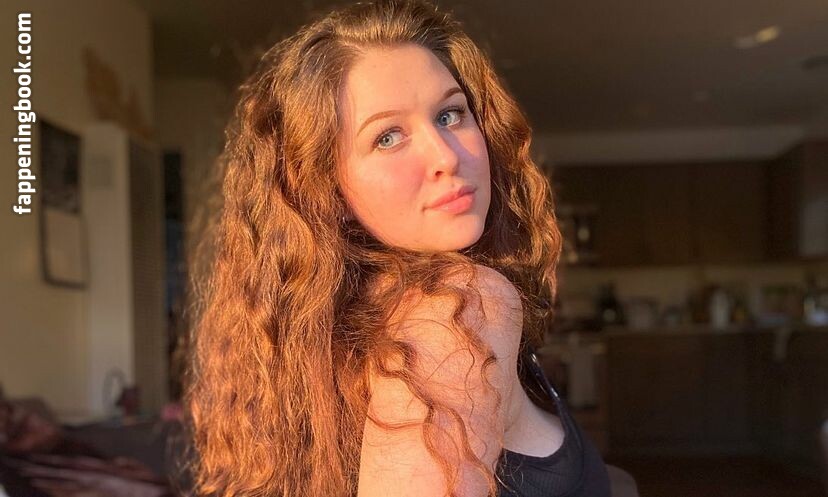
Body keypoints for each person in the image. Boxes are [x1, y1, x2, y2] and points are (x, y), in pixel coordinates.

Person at [185, 0, 611, 496]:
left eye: (450, 114)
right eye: (387, 137)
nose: (445, 155)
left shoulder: (341, 334)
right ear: (329, 192)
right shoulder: (456, 310)